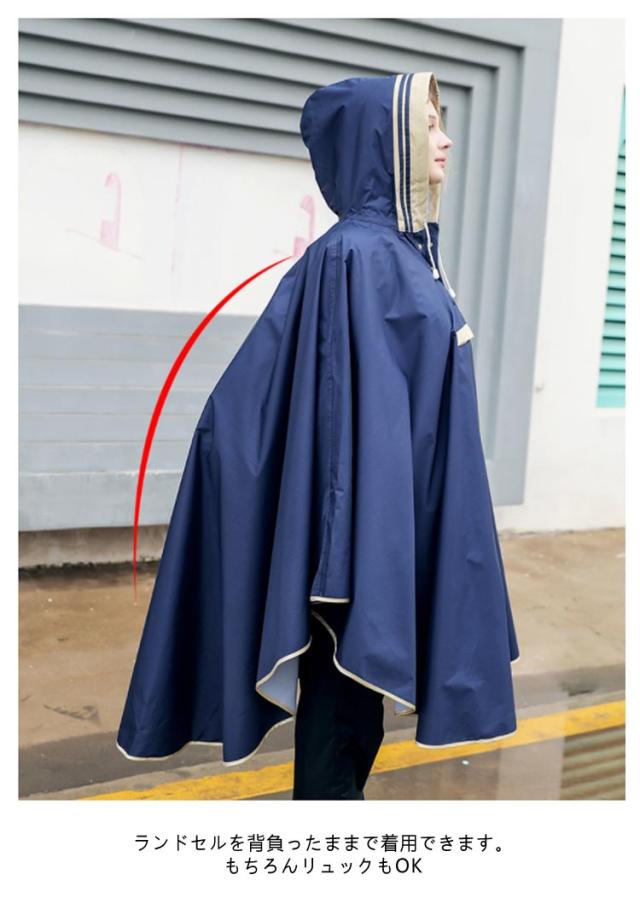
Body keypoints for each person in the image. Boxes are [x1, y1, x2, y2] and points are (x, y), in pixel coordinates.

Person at [116, 71, 520, 801]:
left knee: (356, 725)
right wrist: (346, 557)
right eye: (430, 124)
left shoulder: (401, 251)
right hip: (360, 544)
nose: (447, 139)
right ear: (386, 139)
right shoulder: (356, 257)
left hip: (392, 522)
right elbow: (334, 412)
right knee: (342, 718)